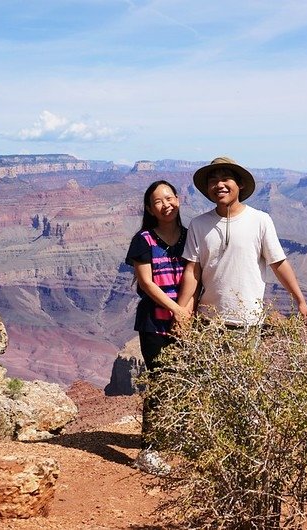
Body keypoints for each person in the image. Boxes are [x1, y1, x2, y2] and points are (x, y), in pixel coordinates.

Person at [178, 156, 307, 328]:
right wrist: (180, 311)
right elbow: (192, 272)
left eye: (226, 179)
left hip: (248, 322)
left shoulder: (260, 220)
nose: (219, 185)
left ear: (240, 184)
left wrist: (300, 300)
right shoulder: (198, 224)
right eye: (213, 181)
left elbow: (278, 263)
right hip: (208, 322)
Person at [124, 180, 189, 476]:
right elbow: (146, 283)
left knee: (185, 383)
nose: (165, 205)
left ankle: (180, 438)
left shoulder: (190, 237)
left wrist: (187, 312)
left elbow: (197, 276)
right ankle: (149, 451)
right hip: (155, 324)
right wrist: (176, 310)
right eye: (158, 201)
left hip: (187, 323)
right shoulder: (144, 240)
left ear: (178, 199)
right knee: (161, 383)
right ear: (150, 209)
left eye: (169, 198)